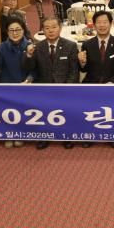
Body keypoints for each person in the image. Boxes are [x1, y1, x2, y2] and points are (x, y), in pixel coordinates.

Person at [23, 16, 79, 150]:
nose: (51, 30)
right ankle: (45, 136)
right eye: (47, 28)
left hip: (65, 87)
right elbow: (31, 69)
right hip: (44, 87)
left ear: (60, 28)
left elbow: (74, 72)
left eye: (54, 27)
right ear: (43, 30)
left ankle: (67, 136)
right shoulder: (38, 47)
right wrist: (29, 56)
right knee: (44, 112)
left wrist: (67, 88)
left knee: (66, 112)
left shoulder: (71, 46)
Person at [0, 17, 34, 148]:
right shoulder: (2, 46)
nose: (15, 33)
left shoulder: (30, 45)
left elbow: (36, 69)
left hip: (25, 84)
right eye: (11, 30)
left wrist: (29, 80)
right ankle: (9, 134)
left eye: (18, 30)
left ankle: (21, 134)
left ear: (23, 30)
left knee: (24, 111)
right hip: (7, 84)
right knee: (8, 111)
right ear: (7, 32)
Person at [78, 10, 114, 84]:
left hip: (113, 84)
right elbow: (84, 70)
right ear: (94, 26)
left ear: (110, 24)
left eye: (105, 22)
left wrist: (112, 82)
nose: (102, 25)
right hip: (92, 84)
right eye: (98, 22)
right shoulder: (87, 45)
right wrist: (82, 63)